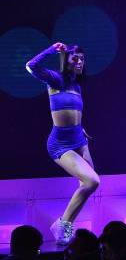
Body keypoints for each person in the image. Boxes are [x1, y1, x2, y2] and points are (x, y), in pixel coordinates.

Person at [26, 42, 100, 245]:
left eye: (82, 59)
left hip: (80, 140)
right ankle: (63, 225)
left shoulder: (77, 85)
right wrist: (51, 50)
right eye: (74, 58)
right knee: (92, 181)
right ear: (65, 60)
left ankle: (66, 228)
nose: (79, 62)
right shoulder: (56, 79)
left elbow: (72, 113)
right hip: (60, 145)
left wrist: (81, 129)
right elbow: (31, 66)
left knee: (88, 185)